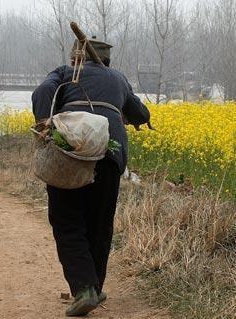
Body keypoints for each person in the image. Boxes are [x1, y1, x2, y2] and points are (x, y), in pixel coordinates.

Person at [31, 38, 151, 317]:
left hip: (72, 152)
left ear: (76, 57)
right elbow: (141, 112)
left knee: (67, 219)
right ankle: (94, 287)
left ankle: (84, 289)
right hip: (110, 154)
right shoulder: (118, 78)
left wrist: (45, 124)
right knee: (100, 223)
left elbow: (42, 92)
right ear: (105, 60)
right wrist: (135, 117)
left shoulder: (63, 72)